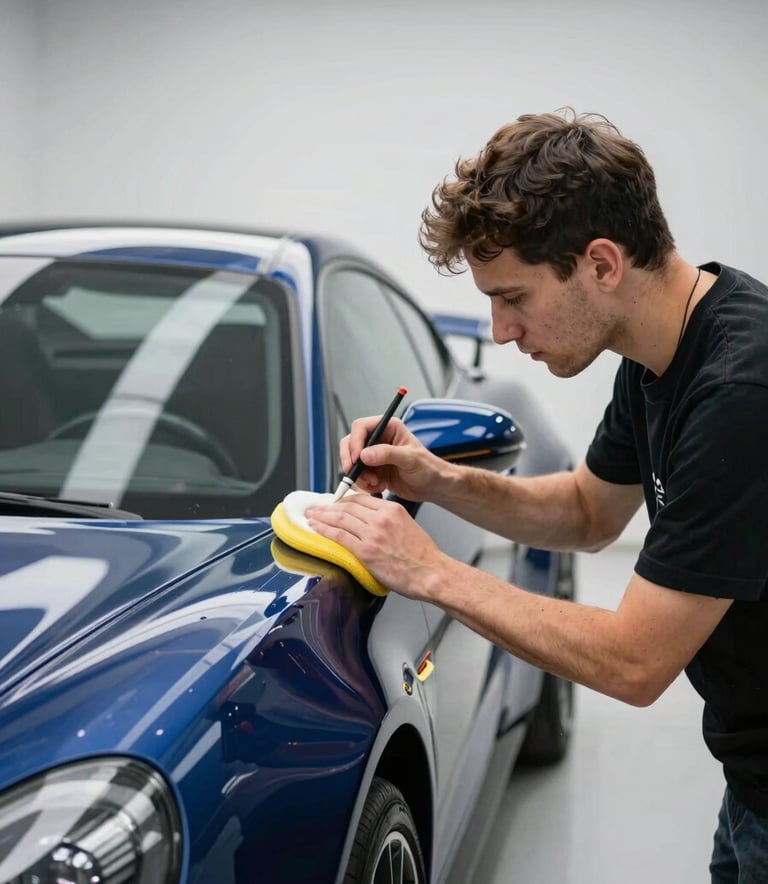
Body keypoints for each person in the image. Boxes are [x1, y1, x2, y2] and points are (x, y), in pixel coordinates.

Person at [306, 108, 768, 882]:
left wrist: (428, 572)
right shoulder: (659, 354)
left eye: (513, 296)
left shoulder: (741, 392)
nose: (499, 331)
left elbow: (635, 662)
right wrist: (438, 480)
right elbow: (589, 512)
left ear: (602, 264)